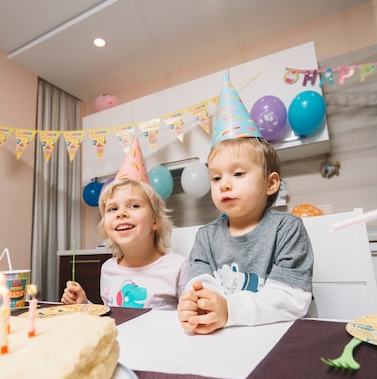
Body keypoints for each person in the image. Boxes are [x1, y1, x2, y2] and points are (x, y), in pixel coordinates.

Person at [177, 136, 314, 334]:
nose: (224, 184)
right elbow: (201, 286)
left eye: (238, 173)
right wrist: (198, 305)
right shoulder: (205, 236)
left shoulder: (287, 228)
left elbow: (291, 298)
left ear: (271, 183)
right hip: (226, 337)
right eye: (216, 178)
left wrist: (228, 309)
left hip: (282, 336)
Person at [61, 177, 190, 310]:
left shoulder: (177, 267)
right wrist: (84, 305)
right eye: (113, 209)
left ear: (155, 221)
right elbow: (111, 316)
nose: (121, 213)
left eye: (134, 205)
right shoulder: (108, 269)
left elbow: (192, 318)